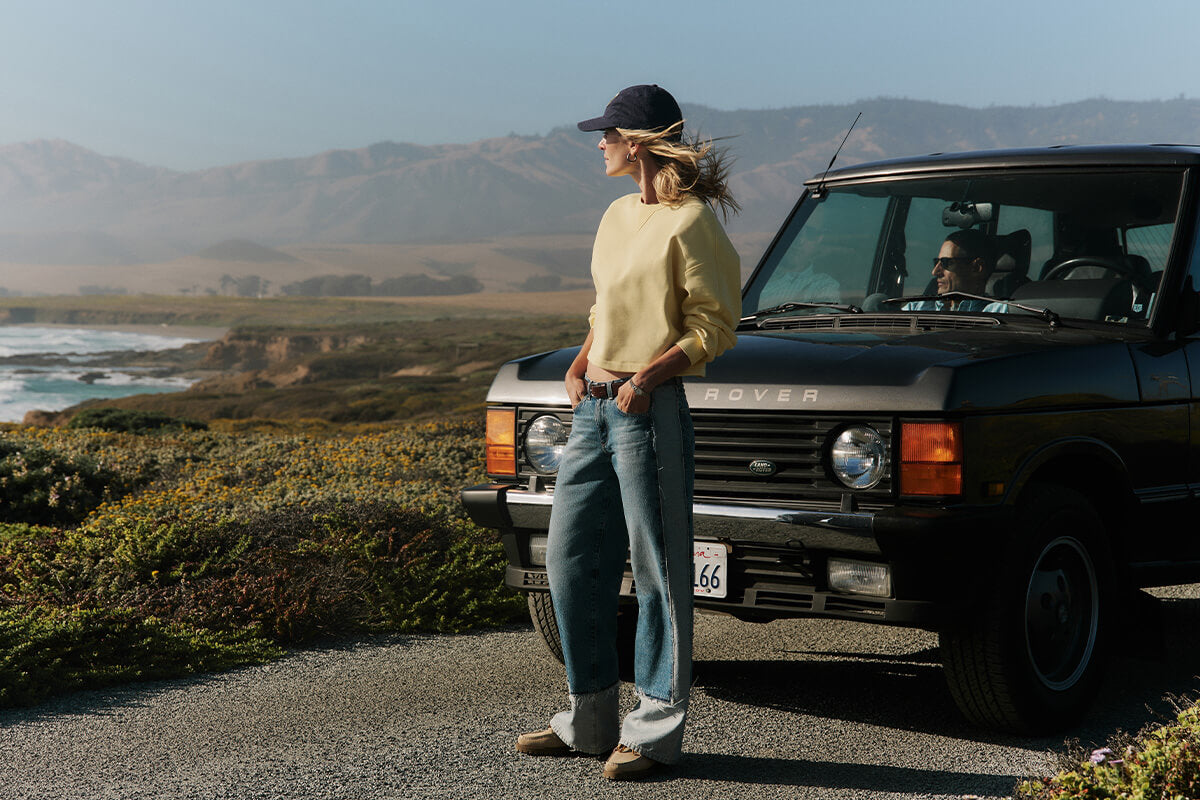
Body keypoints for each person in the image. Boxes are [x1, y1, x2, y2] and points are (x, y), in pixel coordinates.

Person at [514, 84, 741, 780]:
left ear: (638, 143)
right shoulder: (615, 215)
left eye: (608, 135)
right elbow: (604, 306)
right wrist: (582, 364)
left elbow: (714, 325)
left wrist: (645, 379)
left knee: (658, 573)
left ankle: (653, 732)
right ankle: (588, 719)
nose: (601, 145)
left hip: (650, 411)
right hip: (593, 409)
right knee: (569, 560)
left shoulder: (693, 222)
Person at [904, 228, 996, 311]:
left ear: (976, 268)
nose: (934, 272)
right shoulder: (915, 310)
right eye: (936, 262)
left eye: (946, 263)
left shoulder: (1000, 314)